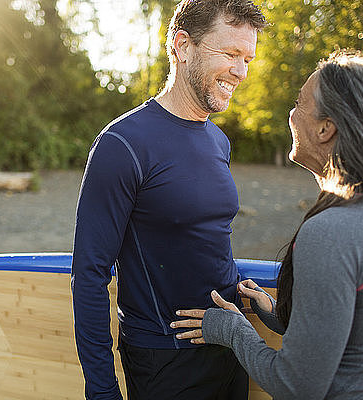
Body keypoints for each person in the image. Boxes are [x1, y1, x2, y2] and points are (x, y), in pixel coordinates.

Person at [172, 50, 363, 399]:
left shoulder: (331, 233)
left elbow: (297, 386)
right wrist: (282, 317)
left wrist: (233, 329)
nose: (291, 114)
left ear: (327, 128)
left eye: (300, 102)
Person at [71, 1, 267, 399]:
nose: (241, 71)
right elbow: (89, 274)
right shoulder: (122, 144)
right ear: (182, 45)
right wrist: (102, 391)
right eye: (230, 54)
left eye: (247, 58)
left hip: (230, 345)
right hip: (165, 361)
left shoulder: (218, 140)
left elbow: (204, 238)